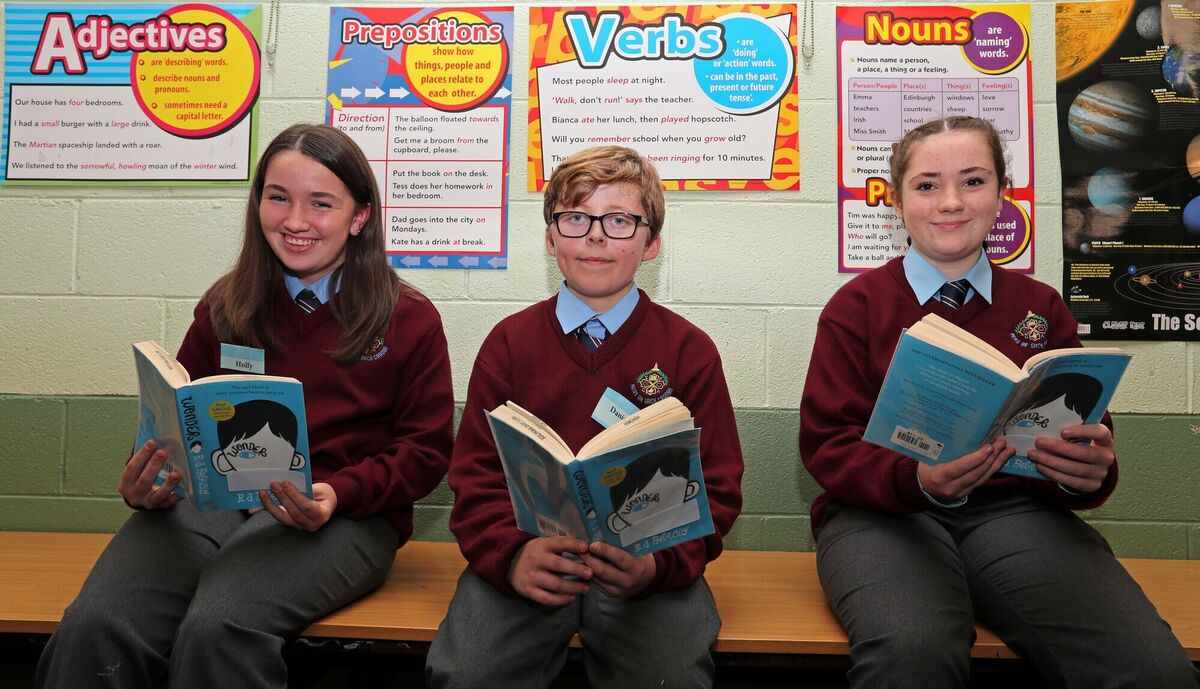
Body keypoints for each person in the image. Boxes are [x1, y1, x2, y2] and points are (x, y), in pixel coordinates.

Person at [37, 124, 455, 689]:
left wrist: (342, 494)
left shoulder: (408, 318)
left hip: (342, 516)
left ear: (359, 218)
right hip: (211, 503)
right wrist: (148, 474)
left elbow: (426, 453)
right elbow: (175, 414)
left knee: (219, 626)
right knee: (97, 622)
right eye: (277, 197)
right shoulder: (226, 304)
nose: (295, 220)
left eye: (321, 203)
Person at [799, 115, 1199, 689]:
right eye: (927, 184)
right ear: (896, 201)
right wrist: (919, 480)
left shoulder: (1041, 306)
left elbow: (1084, 428)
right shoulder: (855, 307)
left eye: (974, 180)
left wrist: (1084, 472)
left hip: (1016, 514)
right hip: (883, 516)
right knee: (913, 654)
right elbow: (827, 446)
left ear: (1003, 194)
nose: (951, 202)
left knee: (1152, 668)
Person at [426, 145, 744, 688]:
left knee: (671, 678)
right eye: (576, 218)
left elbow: (717, 487)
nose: (596, 236)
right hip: (528, 557)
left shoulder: (689, 350)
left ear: (651, 243)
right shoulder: (509, 344)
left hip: (648, 568)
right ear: (551, 239)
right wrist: (512, 556)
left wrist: (657, 567)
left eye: (619, 220)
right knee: (467, 674)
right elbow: (475, 478)